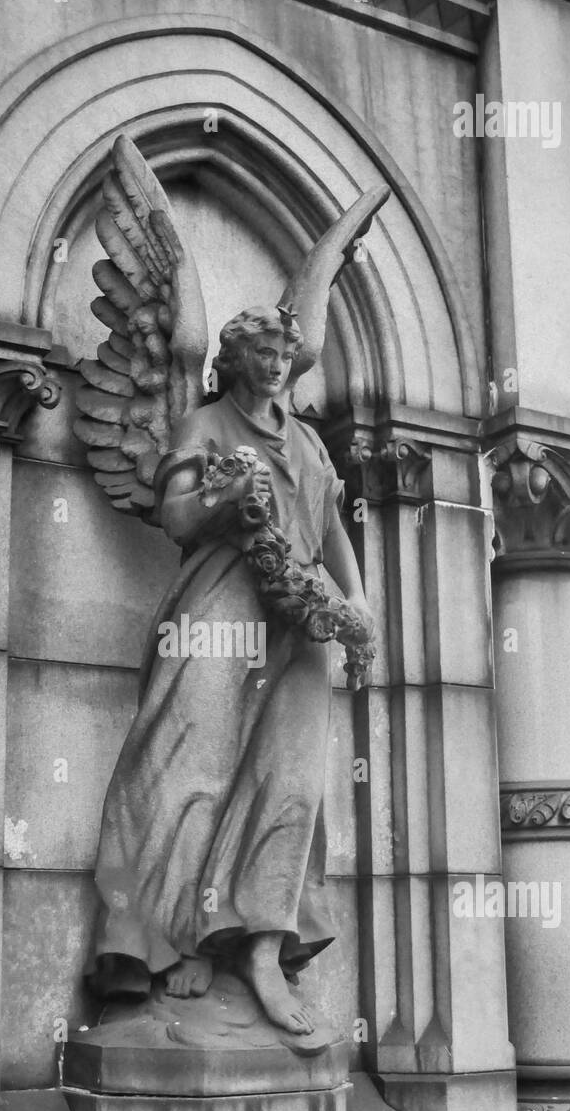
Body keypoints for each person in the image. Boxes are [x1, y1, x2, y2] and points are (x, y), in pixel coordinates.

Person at [89, 305, 373, 1036]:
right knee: (187, 770)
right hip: (219, 609)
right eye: (262, 353)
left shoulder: (307, 441)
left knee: (290, 782)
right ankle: (176, 940)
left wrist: (357, 601)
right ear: (236, 358)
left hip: (301, 623)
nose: (275, 366)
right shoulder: (205, 424)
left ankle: (262, 949)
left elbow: (330, 528)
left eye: (284, 354)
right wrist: (225, 492)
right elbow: (177, 518)